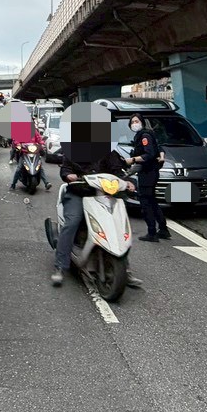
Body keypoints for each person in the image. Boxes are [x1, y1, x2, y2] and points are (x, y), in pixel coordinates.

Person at [52, 105, 142, 290]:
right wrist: (70, 176)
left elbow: (118, 171)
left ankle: (125, 269)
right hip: (79, 193)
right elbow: (65, 169)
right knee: (72, 222)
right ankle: (60, 266)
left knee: (120, 226)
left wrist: (127, 182)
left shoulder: (108, 150)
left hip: (104, 195)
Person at [127, 116, 171, 242]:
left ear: (142, 122)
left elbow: (149, 154)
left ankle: (151, 233)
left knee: (145, 202)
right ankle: (163, 229)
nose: (134, 124)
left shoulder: (144, 135)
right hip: (151, 172)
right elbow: (158, 148)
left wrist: (133, 159)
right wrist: (161, 156)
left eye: (137, 121)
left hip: (148, 173)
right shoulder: (146, 134)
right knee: (152, 201)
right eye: (132, 122)